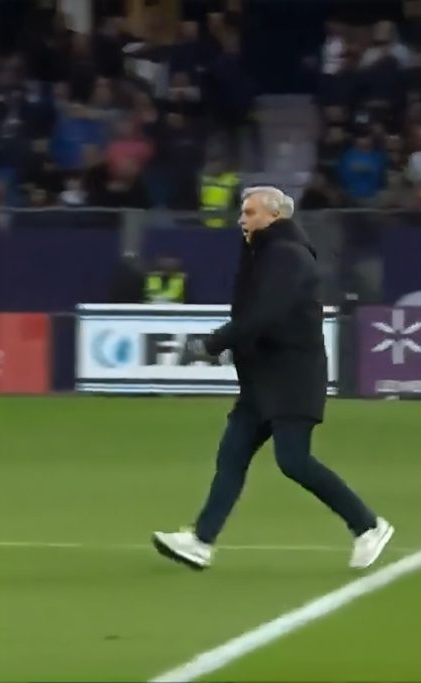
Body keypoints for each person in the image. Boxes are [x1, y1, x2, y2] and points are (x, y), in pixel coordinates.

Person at [152, 186, 393, 571]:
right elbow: (259, 316)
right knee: (232, 456)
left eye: (249, 213)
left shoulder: (286, 255)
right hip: (263, 379)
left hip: (292, 377)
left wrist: (212, 344)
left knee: (294, 460)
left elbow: (265, 314)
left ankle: (368, 525)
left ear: (275, 216)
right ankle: (200, 541)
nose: (241, 219)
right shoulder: (268, 254)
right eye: (242, 212)